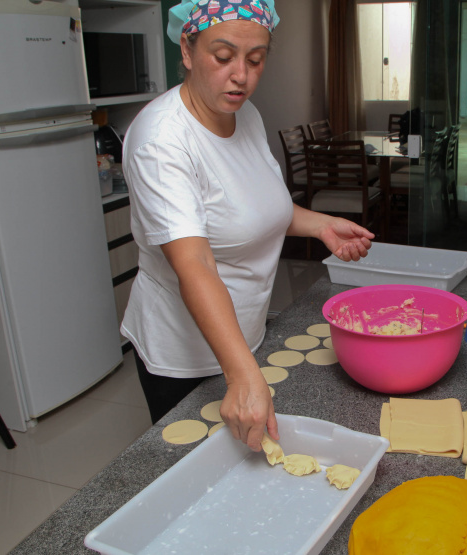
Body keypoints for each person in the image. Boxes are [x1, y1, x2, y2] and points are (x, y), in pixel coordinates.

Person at [120, 0, 374, 453]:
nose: (241, 75)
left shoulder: (244, 115)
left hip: (245, 336)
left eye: (255, 60)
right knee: (200, 476)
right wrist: (241, 374)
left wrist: (320, 225)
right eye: (223, 57)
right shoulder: (161, 143)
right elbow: (195, 262)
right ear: (187, 49)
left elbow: (256, 208)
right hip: (185, 356)